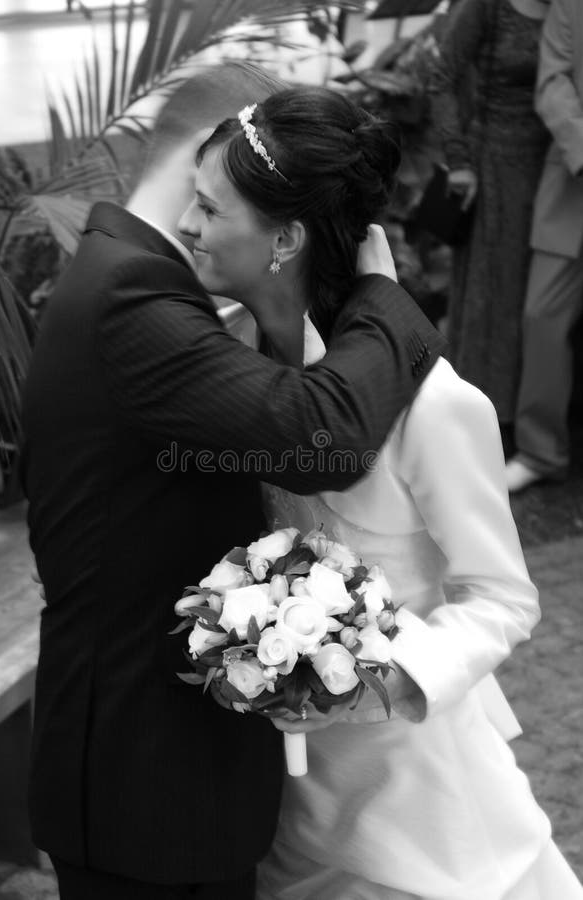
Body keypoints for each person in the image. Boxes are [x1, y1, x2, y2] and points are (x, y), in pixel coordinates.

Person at [20, 63, 444, 900]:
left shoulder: (145, 283)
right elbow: (319, 436)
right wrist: (384, 297)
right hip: (141, 784)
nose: (197, 221)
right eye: (209, 200)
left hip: (170, 766)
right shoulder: (130, 294)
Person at [177, 86, 583, 899]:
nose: (185, 225)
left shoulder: (436, 405)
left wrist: (382, 677)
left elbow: (502, 597)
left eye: (208, 208)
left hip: (415, 786)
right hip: (282, 792)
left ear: (284, 238)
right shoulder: (219, 360)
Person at [431, 0, 550, 444]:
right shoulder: (490, 6)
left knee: (537, 302)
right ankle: (481, 415)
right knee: (492, 293)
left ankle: (529, 413)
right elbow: (441, 76)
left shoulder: (567, 10)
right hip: (493, 166)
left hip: (555, 169)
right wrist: (458, 159)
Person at [506, 0, 583, 492]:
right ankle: (540, 451)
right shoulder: (570, 7)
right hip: (573, 184)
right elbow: (553, 85)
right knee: (542, 317)